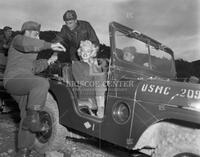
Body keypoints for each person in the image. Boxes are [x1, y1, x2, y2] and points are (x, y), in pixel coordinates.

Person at [3, 21, 66, 157]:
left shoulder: (30, 50)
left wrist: (49, 61)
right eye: (36, 34)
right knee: (41, 83)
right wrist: (49, 45)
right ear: (28, 31)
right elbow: (27, 44)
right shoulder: (18, 40)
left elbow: (34, 67)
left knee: (28, 114)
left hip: (25, 82)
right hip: (14, 79)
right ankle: (32, 121)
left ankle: (23, 151)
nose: (37, 37)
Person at [72, 40, 106, 118]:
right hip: (84, 92)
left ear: (92, 53)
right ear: (80, 52)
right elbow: (81, 81)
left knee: (102, 77)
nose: (85, 53)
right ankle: (100, 107)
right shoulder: (76, 64)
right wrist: (93, 68)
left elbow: (101, 79)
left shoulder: (94, 65)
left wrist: (95, 67)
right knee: (100, 78)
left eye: (88, 51)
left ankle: (101, 107)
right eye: (83, 50)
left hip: (95, 93)